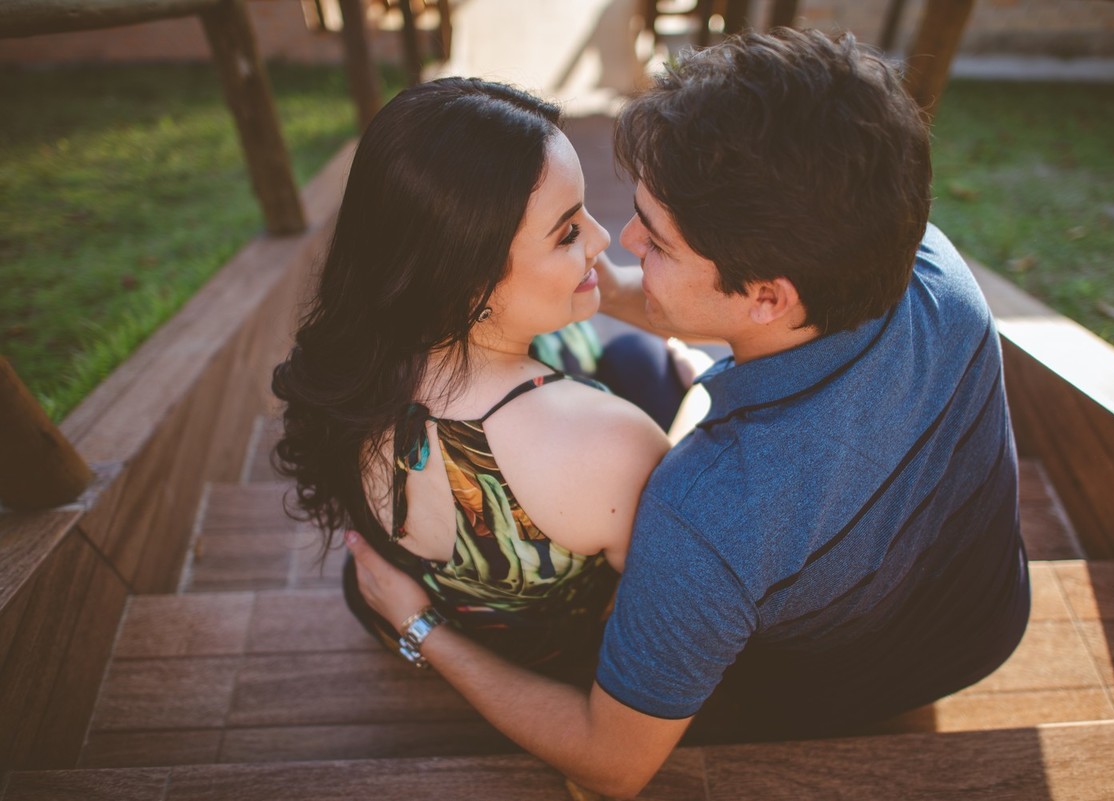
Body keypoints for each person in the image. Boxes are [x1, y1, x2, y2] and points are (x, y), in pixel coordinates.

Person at [346, 27, 1030, 798]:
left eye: (657, 241)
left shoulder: (700, 515)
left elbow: (612, 763)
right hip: (986, 621)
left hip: (820, 693)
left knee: (630, 379)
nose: (622, 239)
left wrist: (417, 625)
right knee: (638, 360)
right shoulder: (926, 262)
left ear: (769, 296)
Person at [271, 77, 670, 671]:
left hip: (427, 612)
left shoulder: (346, 371)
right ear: (468, 280)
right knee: (650, 363)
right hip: (550, 665)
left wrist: (581, 278)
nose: (603, 237)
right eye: (568, 231)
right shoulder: (615, 444)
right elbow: (661, 620)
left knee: (628, 355)